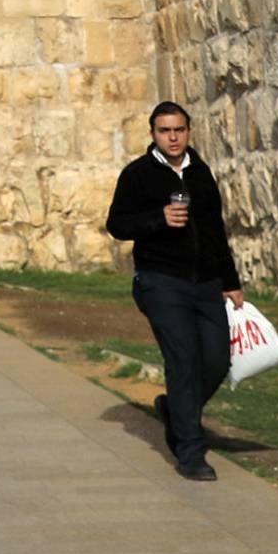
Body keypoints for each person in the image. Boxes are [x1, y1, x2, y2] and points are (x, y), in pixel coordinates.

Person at [105, 101, 245, 481]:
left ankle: (175, 409)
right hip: (160, 281)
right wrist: (159, 219)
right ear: (153, 133)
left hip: (206, 283)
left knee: (216, 361)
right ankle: (190, 451)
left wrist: (230, 282)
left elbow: (216, 230)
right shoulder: (137, 175)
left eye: (178, 130)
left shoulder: (201, 173)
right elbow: (117, 224)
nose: (172, 137)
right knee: (182, 360)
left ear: (188, 131)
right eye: (164, 130)